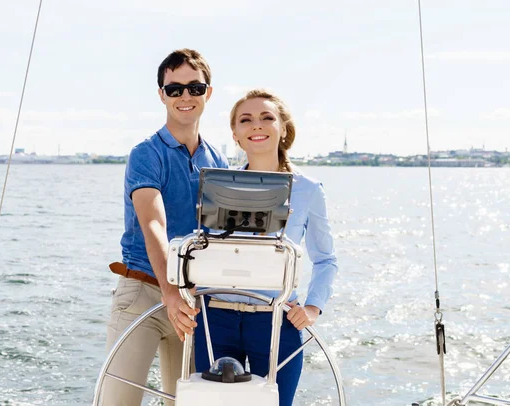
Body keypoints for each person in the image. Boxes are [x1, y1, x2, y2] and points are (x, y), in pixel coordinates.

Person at [194, 89, 338, 406]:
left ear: (283, 128)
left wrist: (313, 307)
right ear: (235, 134)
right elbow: (199, 249)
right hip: (214, 318)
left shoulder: (309, 190)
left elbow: (326, 259)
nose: (256, 125)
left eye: (266, 117)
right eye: (246, 120)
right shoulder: (215, 185)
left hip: (277, 320)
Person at [103, 49, 229, 405]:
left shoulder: (217, 160)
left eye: (194, 87)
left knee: (184, 402)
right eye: (174, 89)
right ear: (162, 95)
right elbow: (153, 222)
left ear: (208, 92)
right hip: (141, 292)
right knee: (118, 401)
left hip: (193, 301)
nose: (184, 96)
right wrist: (170, 291)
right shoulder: (146, 153)